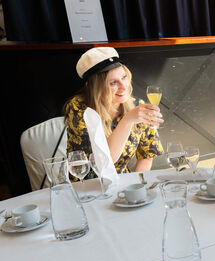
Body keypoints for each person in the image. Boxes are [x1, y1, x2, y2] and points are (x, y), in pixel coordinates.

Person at [65, 47, 163, 176]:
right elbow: (105, 162)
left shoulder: (136, 105)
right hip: (87, 186)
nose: (123, 87)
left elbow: (147, 155)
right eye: (113, 83)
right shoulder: (79, 109)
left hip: (123, 183)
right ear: (94, 87)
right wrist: (127, 120)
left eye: (124, 77)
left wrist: (136, 184)